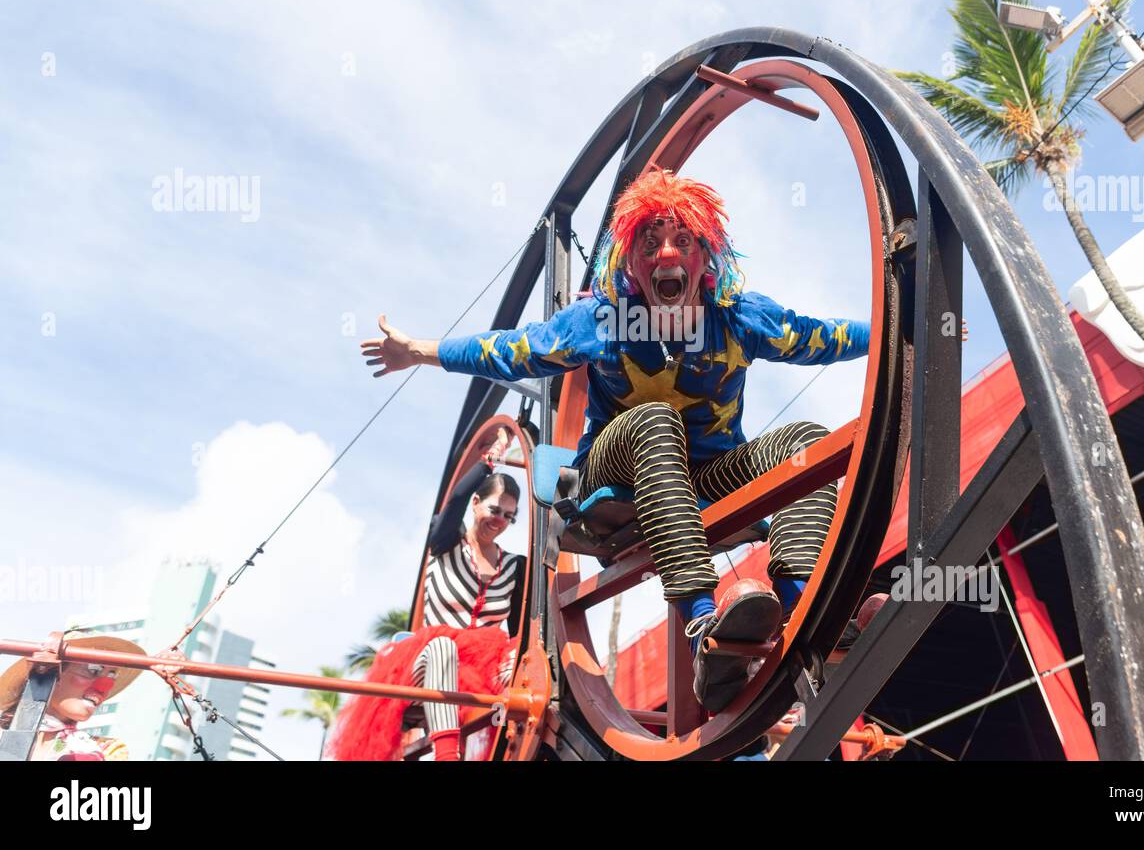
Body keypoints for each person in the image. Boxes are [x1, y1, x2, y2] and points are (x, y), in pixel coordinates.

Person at [361, 166, 874, 711]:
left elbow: (822, 337)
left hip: (709, 479)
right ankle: (703, 622)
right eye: (650, 244)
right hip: (615, 474)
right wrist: (420, 351)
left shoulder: (739, 318)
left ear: (706, 257)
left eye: (683, 241)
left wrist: (908, 320)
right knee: (655, 419)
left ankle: (806, 605)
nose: (668, 254)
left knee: (804, 441)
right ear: (629, 261)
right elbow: (514, 350)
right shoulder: (601, 321)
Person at [328, 427, 524, 761]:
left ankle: (515, 749)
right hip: (427, 667)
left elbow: (521, 635)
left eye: (509, 516)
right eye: (494, 510)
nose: (500, 521)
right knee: (443, 648)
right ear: (476, 504)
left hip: (480, 676)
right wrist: (494, 456)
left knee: (520, 660)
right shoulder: (446, 541)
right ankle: (447, 757)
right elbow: (455, 501)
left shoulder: (513, 567)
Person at [0, 632, 142, 761]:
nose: (104, 687)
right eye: (93, 670)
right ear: (52, 673)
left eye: (112, 676)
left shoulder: (106, 752)